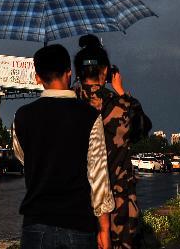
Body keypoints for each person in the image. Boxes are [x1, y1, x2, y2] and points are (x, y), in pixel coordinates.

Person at [12, 44, 115, 249]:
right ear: (69, 73)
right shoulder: (89, 116)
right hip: (79, 224)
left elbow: (23, 156)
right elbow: (98, 175)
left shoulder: (21, 116)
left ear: (38, 77)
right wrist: (104, 228)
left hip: (36, 225)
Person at [74, 35, 152, 249]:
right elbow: (143, 127)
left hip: (78, 202)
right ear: (107, 71)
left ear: (77, 72)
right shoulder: (122, 106)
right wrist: (121, 91)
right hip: (119, 206)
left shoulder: (68, 104)